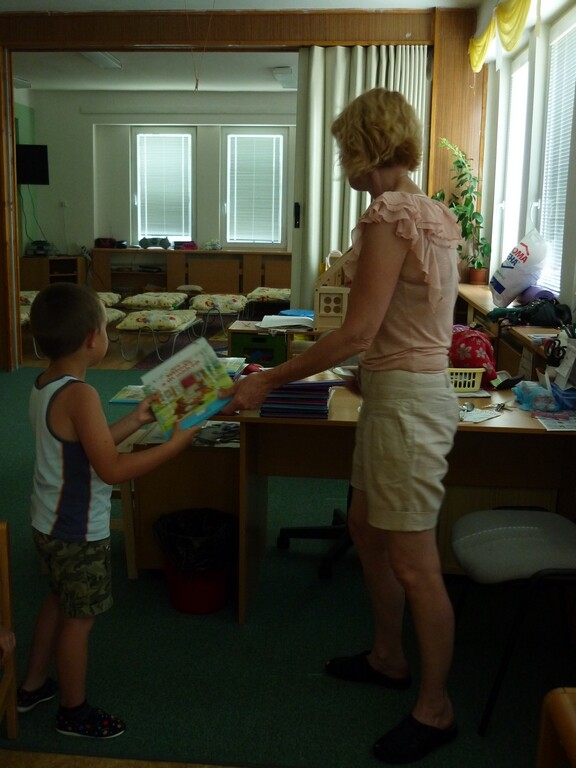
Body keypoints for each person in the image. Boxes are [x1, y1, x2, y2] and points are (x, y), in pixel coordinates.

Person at [221, 88, 462, 763]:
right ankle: (388, 656)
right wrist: (368, 372)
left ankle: (436, 709)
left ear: (360, 147)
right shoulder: (431, 210)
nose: (341, 162)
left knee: (416, 565)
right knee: (364, 527)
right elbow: (408, 320)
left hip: (408, 404)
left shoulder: (389, 214)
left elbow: (356, 331)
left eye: (342, 148)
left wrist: (269, 379)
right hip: (399, 392)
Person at [17, 282, 202, 739]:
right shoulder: (81, 395)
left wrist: (136, 419)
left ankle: (32, 685)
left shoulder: (47, 383)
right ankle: (73, 711)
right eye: (104, 327)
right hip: (77, 529)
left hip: (48, 521)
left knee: (58, 599)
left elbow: (86, 444)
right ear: (92, 339)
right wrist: (174, 446)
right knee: (79, 619)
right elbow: (112, 468)